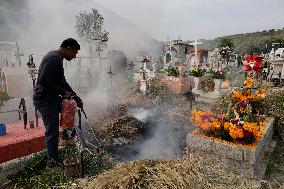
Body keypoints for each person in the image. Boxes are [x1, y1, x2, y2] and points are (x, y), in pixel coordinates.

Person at [33, 38, 83, 168]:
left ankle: (61, 144)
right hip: (44, 100)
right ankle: (52, 163)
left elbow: (62, 82)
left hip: (51, 98)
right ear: (69, 48)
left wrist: (76, 97)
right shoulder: (54, 58)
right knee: (52, 132)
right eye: (75, 53)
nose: (75, 56)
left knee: (69, 109)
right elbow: (44, 80)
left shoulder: (57, 58)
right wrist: (62, 92)